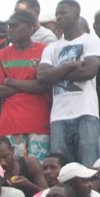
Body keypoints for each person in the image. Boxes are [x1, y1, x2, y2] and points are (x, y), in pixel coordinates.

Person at [37, 0, 100, 167]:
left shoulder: (91, 41)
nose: (59, 17)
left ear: (77, 15)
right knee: (62, 171)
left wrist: (55, 73)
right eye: (57, 14)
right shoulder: (51, 48)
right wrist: (71, 65)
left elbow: (88, 72)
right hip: (58, 116)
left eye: (63, 13)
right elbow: (42, 76)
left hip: (86, 113)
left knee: (89, 168)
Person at [0, 10, 52, 163]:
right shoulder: (1, 55)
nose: (10, 30)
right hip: (10, 125)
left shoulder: (44, 50)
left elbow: (42, 86)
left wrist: (11, 81)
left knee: (39, 169)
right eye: (9, 26)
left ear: (30, 27)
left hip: (39, 123)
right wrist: (29, 85)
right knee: (14, 170)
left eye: (15, 26)